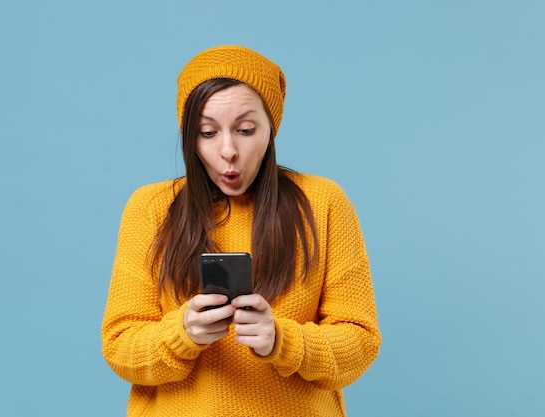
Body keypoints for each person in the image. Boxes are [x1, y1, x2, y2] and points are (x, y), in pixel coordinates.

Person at [101, 45, 381, 417]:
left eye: (246, 129)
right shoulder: (151, 208)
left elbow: (360, 341)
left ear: (271, 129)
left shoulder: (323, 202)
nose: (228, 150)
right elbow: (120, 347)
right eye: (207, 132)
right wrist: (181, 334)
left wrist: (284, 340)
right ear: (189, 138)